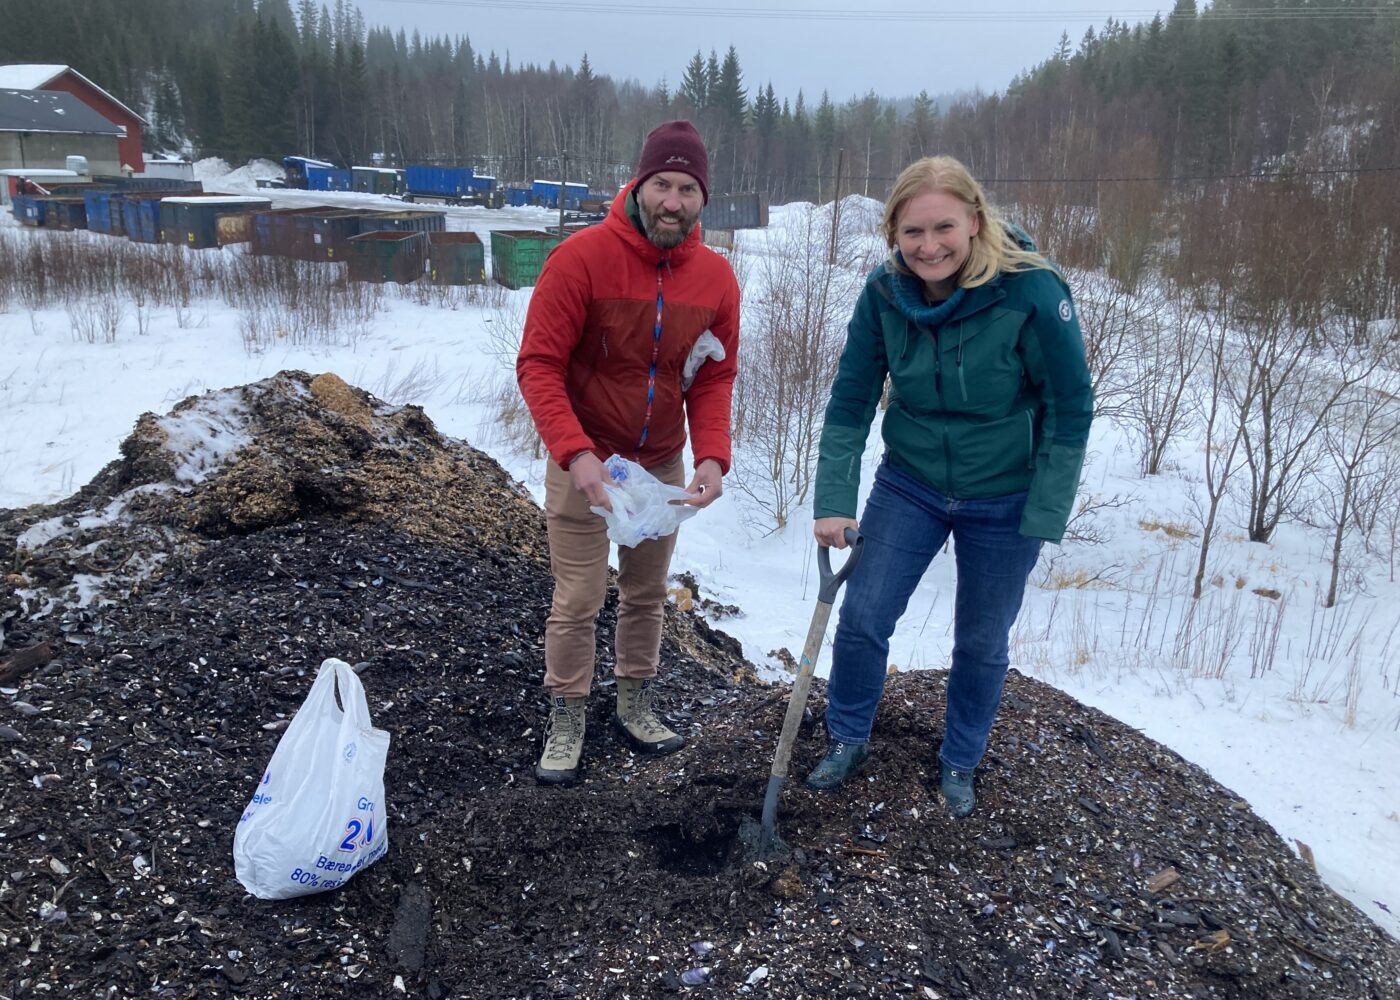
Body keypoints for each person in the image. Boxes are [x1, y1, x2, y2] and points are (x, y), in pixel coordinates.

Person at [805, 155, 1093, 817]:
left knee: (982, 640)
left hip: (1006, 492)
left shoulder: (1031, 291)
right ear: (893, 236)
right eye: (912, 233)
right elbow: (850, 399)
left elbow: (1071, 405)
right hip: (911, 482)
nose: (928, 246)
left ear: (975, 222)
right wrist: (833, 501)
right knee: (864, 617)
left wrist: (1046, 509)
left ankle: (960, 760)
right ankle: (848, 737)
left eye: (943, 228)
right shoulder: (883, 294)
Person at [517, 120, 740, 786]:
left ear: (703, 197)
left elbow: (715, 373)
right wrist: (575, 456)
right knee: (580, 596)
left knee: (646, 593)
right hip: (584, 461)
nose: (673, 201)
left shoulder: (716, 278)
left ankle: (635, 700)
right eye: (662, 185)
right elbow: (538, 364)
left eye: (688, 189)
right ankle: (568, 711)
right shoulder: (581, 258)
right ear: (640, 184)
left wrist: (712, 456)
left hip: (660, 465)